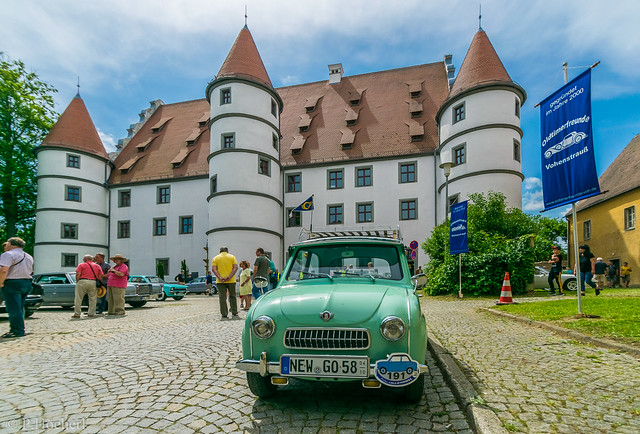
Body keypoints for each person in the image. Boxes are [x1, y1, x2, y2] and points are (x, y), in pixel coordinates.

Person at [0, 237, 34, 338]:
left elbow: (4, 270)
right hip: (26, 282)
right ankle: (19, 329)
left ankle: (17, 331)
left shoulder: (8, 255)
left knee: (13, 308)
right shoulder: (28, 256)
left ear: (11, 244)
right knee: (19, 308)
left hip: (12, 283)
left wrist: (1, 283)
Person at [71, 254, 104, 318]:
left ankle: (77, 314)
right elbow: (100, 276)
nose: (83, 260)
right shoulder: (97, 266)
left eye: (83, 259)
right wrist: (99, 283)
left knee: (78, 298)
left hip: (82, 281)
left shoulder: (81, 265)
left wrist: (78, 282)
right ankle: (91, 313)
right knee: (93, 298)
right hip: (93, 282)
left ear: (86, 259)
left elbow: (78, 274)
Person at [212, 246, 238, 320]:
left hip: (220, 281)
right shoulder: (232, 257)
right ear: (227, 251)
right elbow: (235, 267)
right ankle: (234, 311)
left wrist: (219, 277)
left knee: (222, 297)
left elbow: (214, 269)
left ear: (220, 251)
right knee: (232, 296)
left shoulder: (215, 258)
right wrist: (229, 276)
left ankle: (224, 314)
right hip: (231, 280)